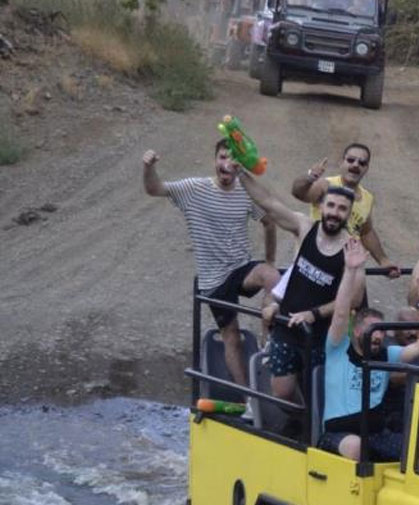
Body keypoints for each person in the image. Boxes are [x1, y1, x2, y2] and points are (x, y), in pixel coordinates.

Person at [142, 141, 280, 387]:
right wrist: (148, 167)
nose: (226, 164)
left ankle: (267, 343)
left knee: (272, 276)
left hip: (241, 268)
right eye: (222, 157)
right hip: (214, 279)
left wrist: (270, 259)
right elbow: (154, 189)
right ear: (214, 160)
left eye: (232, 159)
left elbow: (269, 222)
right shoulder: (195, 188)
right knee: (231, 337)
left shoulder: (245, 190)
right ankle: (247, 397)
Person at [320, 237, 419, 461]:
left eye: (380, 331)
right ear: (356, 331)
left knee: (417, 452)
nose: (377, 336)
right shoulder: (338, 349)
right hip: (339, 434)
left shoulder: (386, 354)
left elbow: (417, 348)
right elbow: (340, 313)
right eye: (371, 330)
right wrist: (350, 270)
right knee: (356, 448)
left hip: (376, 434)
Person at [240, 166, 352, 401]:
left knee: (318, 394)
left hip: (321, 334)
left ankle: (309, 420)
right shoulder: (305, 227)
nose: (335, 213)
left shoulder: (351, 251)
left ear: (349, 214)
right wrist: (240, 173)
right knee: (282, 391)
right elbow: (269, 202)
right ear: (321, 206)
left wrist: (313, 314)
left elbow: (351, 300)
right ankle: (297, 418)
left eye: (342, 209)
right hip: (287, 326)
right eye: (331, 206)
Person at [291, 143, 397, 276]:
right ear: (342, 162)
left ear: (366, 168)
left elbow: (366, 232)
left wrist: (383, 261)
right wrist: (310, 178)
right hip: (314, 265)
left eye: (362, 163)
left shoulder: (367, 198)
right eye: (351, 160)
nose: (356, 165)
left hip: (344, 270)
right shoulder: (326, 185)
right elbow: (298, 193)